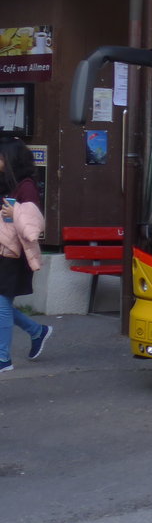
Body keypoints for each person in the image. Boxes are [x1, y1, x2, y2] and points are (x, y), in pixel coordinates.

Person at [0, 138, 51, 372]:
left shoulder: (26, 186)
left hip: (13, 256)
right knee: (1, 305)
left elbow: (34, 225)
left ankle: (3, 359)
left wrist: (15, 210)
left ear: (11, 161)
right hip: (2, 250)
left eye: (1, 158)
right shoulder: (6, 183)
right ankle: (36, 331)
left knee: (1, 305)